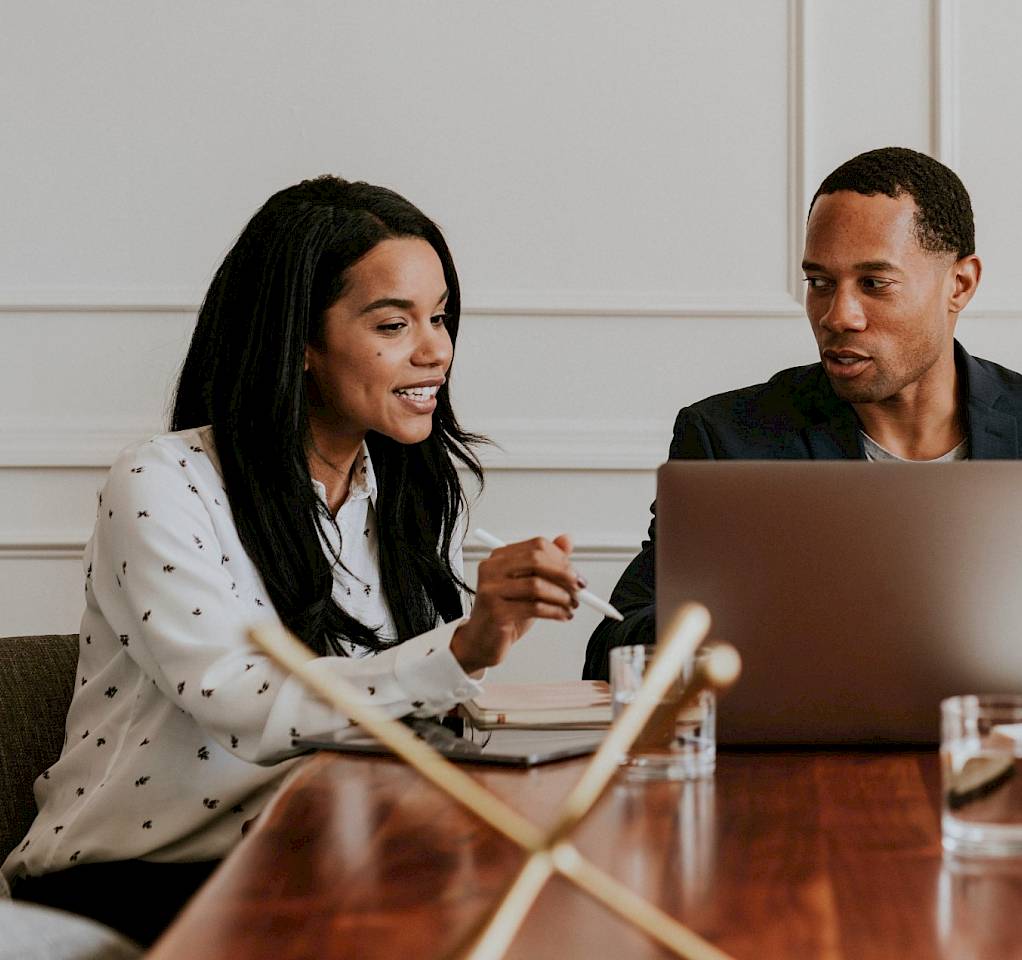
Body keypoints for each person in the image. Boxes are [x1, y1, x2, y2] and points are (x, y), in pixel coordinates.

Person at [1, 177, 587, 945]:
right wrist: (463, 646)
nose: (435, 348)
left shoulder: (407, 499)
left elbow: (402, 724)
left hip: (330, 864)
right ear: (301, 343)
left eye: (439, 316)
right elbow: (249, 704)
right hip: (138, 878)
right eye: (393, 322)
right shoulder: (163, 483)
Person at [583, 147, 1022, 686]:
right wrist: (745, 615)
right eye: (819, 282)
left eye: (874, 284)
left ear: (960, 284)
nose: (837, 315)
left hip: (1001, 758)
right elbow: (610, 654)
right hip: (800, 767)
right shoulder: (728, 436)